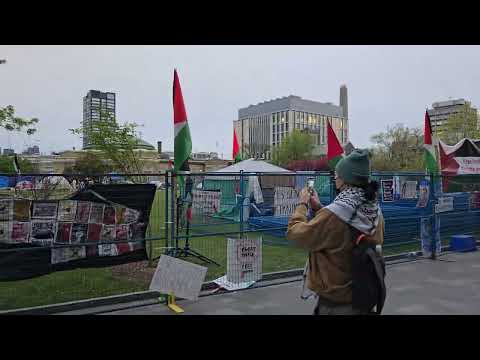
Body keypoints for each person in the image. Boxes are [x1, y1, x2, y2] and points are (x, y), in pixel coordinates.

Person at [287, 149, 384, 315]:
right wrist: (319, 208)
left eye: (337, 174)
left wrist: (302, 204)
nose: (335, 177)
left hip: (337, 303)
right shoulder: (374, 210)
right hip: (363, 296)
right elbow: (344, 228)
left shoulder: (335, 214)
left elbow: (296, 234)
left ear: (346, 180)